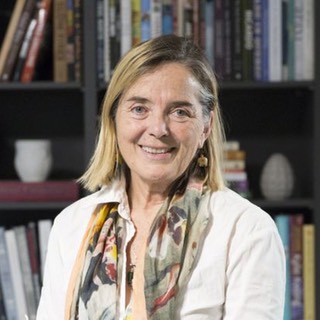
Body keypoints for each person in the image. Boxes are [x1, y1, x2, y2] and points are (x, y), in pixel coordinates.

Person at [37, 35, 285, 319]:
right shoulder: (72, 223)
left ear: (206, 126)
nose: (158, 129)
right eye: (139, 109)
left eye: (179, 112)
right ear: (114, 118)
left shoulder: (246, 230)